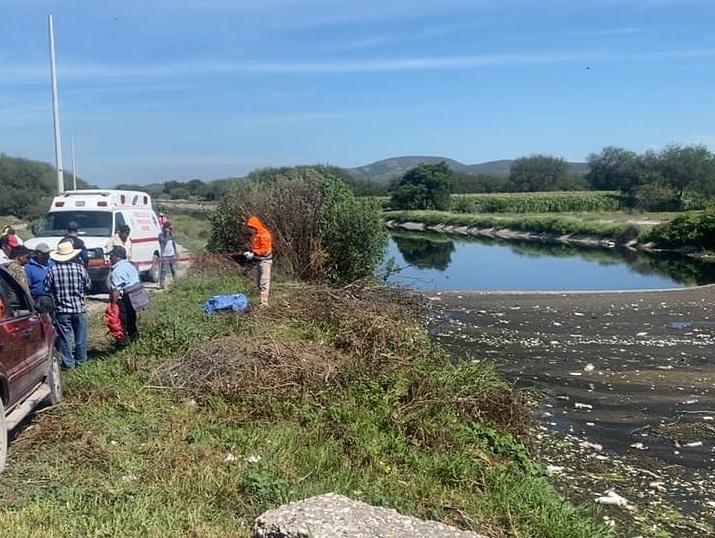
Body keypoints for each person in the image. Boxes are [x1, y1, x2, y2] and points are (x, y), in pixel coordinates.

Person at [44, 241, 91, 369]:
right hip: (79, 308)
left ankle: (68, 363)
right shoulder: (80, 268)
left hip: (62, 310)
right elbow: (88, 285)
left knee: (65, 338)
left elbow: (46, 288)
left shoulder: (53, 270)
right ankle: (81, 362)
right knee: (81, 338)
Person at [109, 246, 141, 343]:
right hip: (134, 297)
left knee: (121, 322)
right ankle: (135, 340)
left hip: (124, 300)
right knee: (131, 321)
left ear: (117, 256)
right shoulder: (130, 266)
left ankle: (121, 344)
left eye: (111, 256)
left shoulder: (118, 270)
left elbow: (116, 291)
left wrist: (113, 305)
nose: (110, 258)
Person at [244, 216, 273, 306]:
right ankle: (262, 301)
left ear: (255, 227)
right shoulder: (255, 235)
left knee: (264, 283)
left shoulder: (264, 235)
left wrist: (253, 254)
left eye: (250, 228)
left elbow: (264, 250)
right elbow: (256, 248)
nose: (249, 230)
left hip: (265, 262)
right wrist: (251, 253)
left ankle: (264, 304)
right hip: (258, 261)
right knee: (259, 283)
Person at [158, 222, 178, 289]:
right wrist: (167, 234)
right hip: (164, 255)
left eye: (170, 228)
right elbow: (163, 241)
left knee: (174, 270)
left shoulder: (172, 235)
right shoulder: (161, 235)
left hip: (172, 255)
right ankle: (161, 284)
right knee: (163, 270)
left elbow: (174, 244)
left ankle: (176, 283)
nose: (169, 230)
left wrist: (175, 253)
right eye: (168, 228)